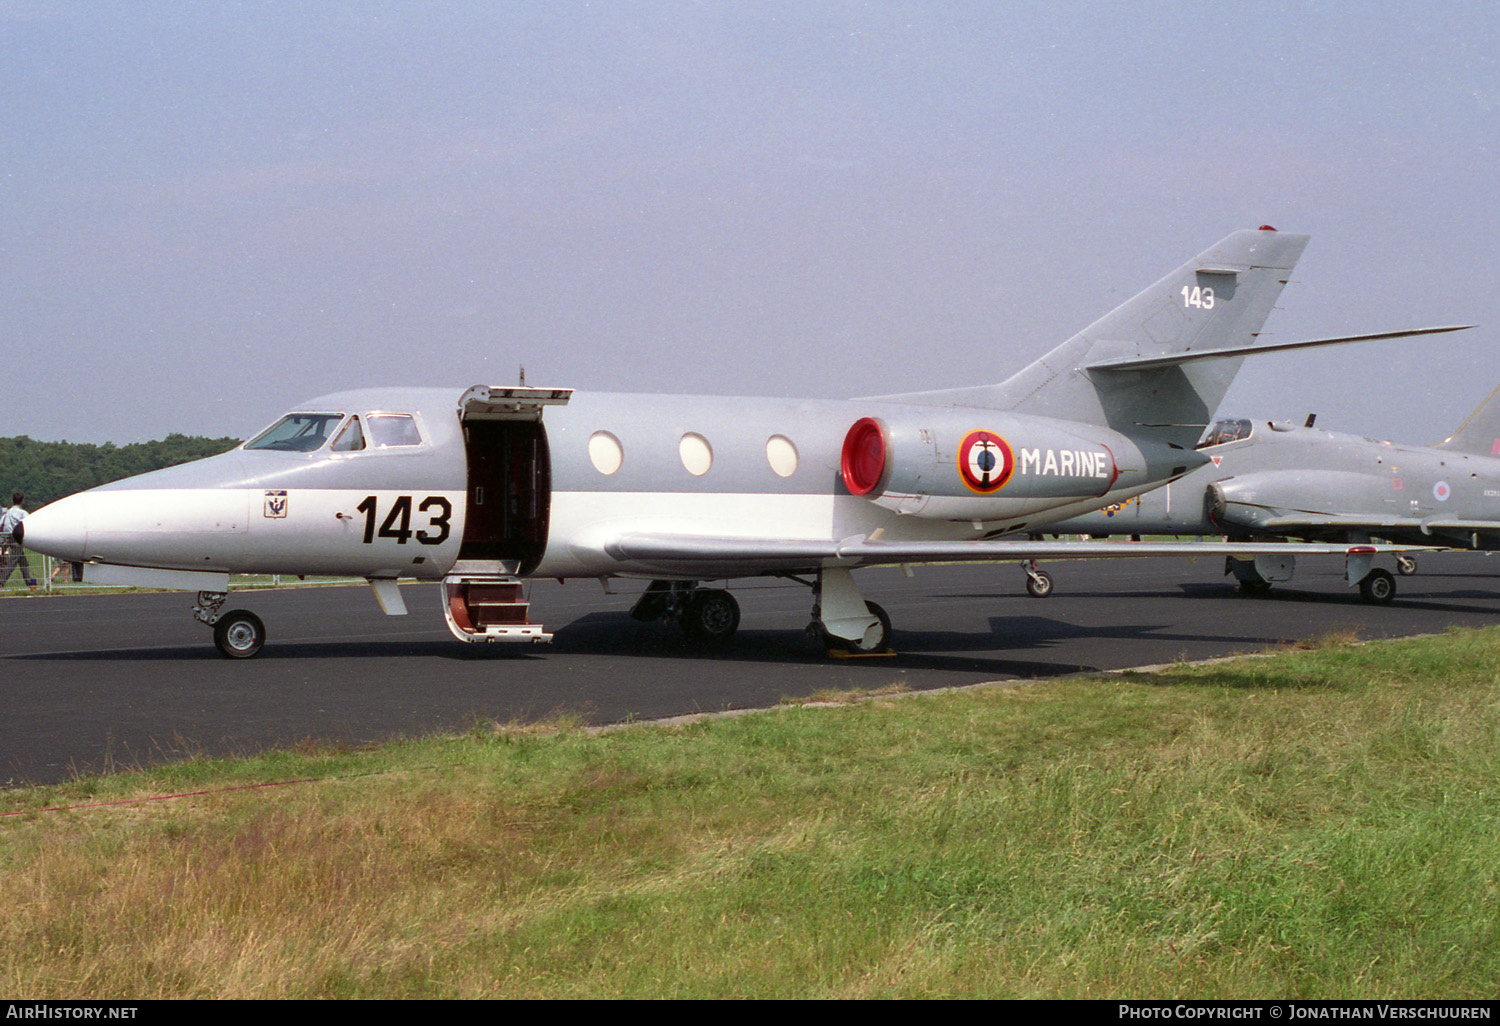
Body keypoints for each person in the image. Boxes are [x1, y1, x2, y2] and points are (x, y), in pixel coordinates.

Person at [0, 491, 38, 590]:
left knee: (23, 562)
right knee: (12, 562)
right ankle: (1, 581)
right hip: (18, 539)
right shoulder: (22, 513)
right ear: (22, 500)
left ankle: (29, 581)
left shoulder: (7, 512)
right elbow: (30, 523)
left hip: (9, 538)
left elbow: (3, 524)